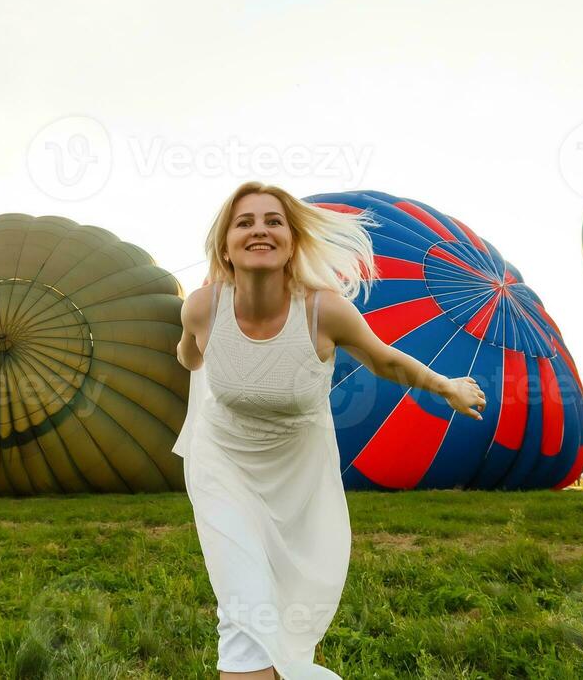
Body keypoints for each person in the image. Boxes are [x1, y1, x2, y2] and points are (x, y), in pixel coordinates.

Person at [172, 182, 487, 680]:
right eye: (245, 221)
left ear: (292, 241)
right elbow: (189, 352)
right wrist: (190, 352)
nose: (260, 230)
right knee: (243, 607)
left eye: (273, 221)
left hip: (299, 473)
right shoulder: (202, 307)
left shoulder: (324, 311)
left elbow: (384, 359)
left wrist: (446, 386)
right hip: (223, 465)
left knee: (288, 597)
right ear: (226, 246)